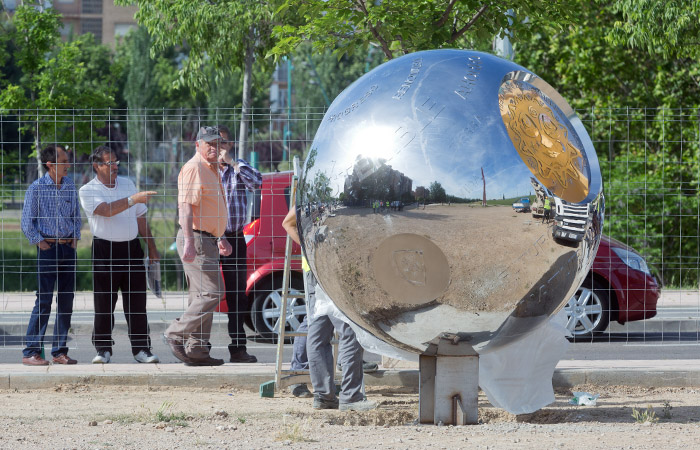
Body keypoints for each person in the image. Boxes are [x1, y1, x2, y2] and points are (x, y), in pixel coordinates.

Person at [282, 206, 376, 411]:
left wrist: (311, 249)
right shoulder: (331, 194)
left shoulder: (311, 193)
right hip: (332, 269)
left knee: (318, 332)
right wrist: (316, 250)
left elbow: (288, 223)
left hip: (316, 270)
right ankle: (351, 397)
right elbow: (288, 223)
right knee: (350, 330)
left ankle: (324, 396)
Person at [79, 145, 161, 364]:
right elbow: (106, 210)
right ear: (97, 166)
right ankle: (103, 349)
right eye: (109, 163)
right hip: (105, 250)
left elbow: (141, 219)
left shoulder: (128, 184)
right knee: (104, 302)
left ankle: (141, 349)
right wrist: (133, 199)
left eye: (116, 162)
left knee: (137, 302)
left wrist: (152, 248)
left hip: (132, 248)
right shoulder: (87, 190)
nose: (115, 166)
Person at [164, 126, 232, 366]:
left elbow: (209, 208)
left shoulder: (211, 168)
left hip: (207, 239)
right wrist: (190, 241)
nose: (214, 148)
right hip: (197, 238)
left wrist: (220, 236)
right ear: (198, 145)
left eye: (217, 143)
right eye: (209, 144)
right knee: (213, 293)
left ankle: (197, 351)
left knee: (201, 296)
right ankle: (175, 332)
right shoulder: (195, 168)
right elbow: (185, 208)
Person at [20, 145, 81, 366]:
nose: (68, 165)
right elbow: (27, 223)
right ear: (50, 164)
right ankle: (31, 352)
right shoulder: (36, 189)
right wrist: (42, 243)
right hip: (48, 249)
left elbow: (76, 217)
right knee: (44, 300)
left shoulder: (70, 186)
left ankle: (59, 352)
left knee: (66, 300)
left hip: (68, 249)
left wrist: (74, 240)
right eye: (63, 161)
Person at [217, 125, 262, 363]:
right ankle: (200, 347)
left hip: (234, 237)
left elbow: (258, 182)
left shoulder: (238, 168)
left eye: (223, 143)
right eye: (215, 143)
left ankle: (238, 348)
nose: (219, 148)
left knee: (238, 295)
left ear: (230, 145)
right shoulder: (205, 170)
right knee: (206, 293)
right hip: (210, 238)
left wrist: (233, 163)